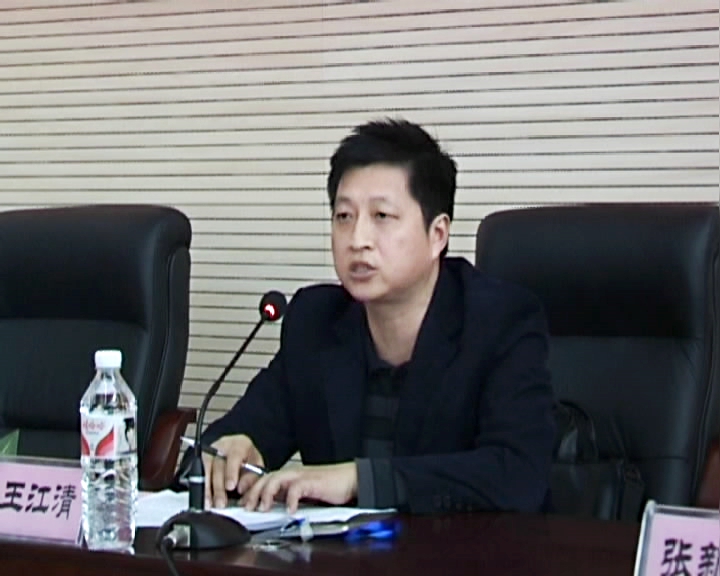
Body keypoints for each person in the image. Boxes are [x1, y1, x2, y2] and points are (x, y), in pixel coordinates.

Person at [199, 118, 555, 515]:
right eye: (344, 217)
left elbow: (518, 475)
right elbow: (233, 436)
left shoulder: (500, 321)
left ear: (437, 235)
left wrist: (360, 480)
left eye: (381, 216)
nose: (358, 240)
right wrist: (232, 451)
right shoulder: (316, 321)